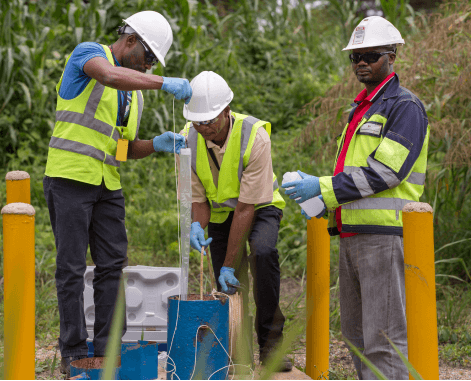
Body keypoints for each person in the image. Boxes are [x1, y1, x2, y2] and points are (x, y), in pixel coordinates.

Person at [43, 10, 191, 374]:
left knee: (112, 266)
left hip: (107, 184)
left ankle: (107, 349)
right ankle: (74, 353)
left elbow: (120, 149)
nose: (150, 66)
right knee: (72, 268)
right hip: (70, 177)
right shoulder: (89, 54)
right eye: (149, 58)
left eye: (155, 62)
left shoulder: (134, 97)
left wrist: (155, 144)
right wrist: (161, 82)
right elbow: (108, 75)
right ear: (130, 41)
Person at [282, 16, 429, 380]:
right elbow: (354, 172)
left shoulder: (404, 107)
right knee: (356, 335)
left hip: (384, 235)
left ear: (392, 56)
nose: (361, 62)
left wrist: (323, 187)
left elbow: (386, 172)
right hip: (351, 233)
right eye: (355, 57)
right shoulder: (360, 109)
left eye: (371, 55)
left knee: (384, 338)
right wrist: (322, 199)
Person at [180, 71, 292, 371]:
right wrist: (197, 226)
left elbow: (246, 208)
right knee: (228, 285)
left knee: (263, 253)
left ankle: (271, 348)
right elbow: (198, 199)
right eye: (198, 121)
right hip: (219, 212)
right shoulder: (187, 139)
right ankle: (237, 354)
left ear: (226, 111)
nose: (203, 128)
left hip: (259, 206)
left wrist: (232, 261)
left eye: (210, 121)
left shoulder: (254, 136)